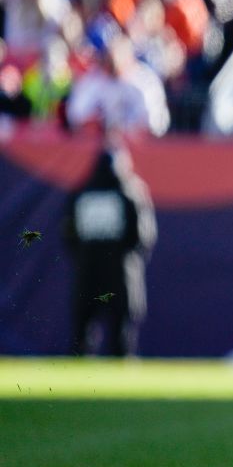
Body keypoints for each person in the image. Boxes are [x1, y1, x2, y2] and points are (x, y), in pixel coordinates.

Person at [64, 146, 156, 357]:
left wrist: (84, 255)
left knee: (82, 337)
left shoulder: (81, 193)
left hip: (87, 271)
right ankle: (122, 386)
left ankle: (75, 386)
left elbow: (68, 234)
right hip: (121, 273)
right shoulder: (130, 194)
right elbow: (142, 236)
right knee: (121, 338)